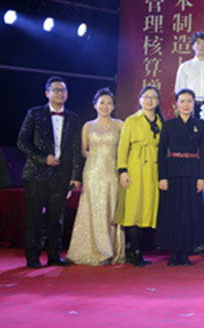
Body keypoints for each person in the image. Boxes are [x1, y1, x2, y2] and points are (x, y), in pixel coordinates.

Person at [17, 77, 83, 268]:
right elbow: (22, 141)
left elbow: (76, 149)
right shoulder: (35, 113)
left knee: (56, 218)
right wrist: (43, 158)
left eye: (63, 90)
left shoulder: (73, 118)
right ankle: (33, 256)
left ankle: (54, 255)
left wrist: (75, 176)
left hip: (61, 176)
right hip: (36, 175)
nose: (60, 93)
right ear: (47, 93)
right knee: (34, 218)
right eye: (56, 90)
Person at [68, 88, 125, 265]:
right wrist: (96, 156)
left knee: (110, 208)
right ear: (95, 105)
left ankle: (111, 250)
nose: (105, 106)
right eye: (102, 103)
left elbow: (124, 149)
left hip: (112, 172)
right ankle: (96, 250)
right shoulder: (88, 126)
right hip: (92, 172)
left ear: (113, 106)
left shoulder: (120, 125)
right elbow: (83, 150)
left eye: (109, 103)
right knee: (93, 209)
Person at [156, 89, 204, 266]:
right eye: (182, 101)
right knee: (173, 213)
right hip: (173, 173)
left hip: (193, 173)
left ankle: (185, 251)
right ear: (176, 103)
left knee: (189, 213)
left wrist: (202, 177)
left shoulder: (200, 124)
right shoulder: (169, 125)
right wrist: (162, 177)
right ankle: (173, 252)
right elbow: (161, 152)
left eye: (189, 101)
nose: (186, 105)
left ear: (194, 104)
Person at [116, 85, 163, 267]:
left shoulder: (161, 122)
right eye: (146, 97)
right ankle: (134, 251)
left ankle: (139, 250)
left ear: (158, 101)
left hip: (153, 168)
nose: (150, 100)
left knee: (147, 209)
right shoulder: (131, 120)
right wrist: (122, 170)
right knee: (134, 208)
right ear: (140, 99)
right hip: (135, 166)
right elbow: (122, 147)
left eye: (153, 97)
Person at [174, 31, 204, 109]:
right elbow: (179, 88)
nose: (201, 46)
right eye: (198, 43)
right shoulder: (185, 66)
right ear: (193, 46)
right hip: (190, 104)